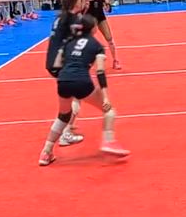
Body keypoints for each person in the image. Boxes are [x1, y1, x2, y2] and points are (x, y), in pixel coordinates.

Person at [40, 15, 129, 166]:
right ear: (94, 29)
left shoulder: (69, 42)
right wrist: (105, 97)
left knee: (63, 116)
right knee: (109, 111)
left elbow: (56, 64)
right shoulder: (97, 46)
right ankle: (108, 141)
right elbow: (100, 72)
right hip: (81, 81)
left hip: (63, 80)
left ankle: (46, 152)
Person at [47, 0, 87, 148]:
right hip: (63, 64)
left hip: (52, 63)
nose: (83, 1)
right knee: (75, 99)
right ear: (75, 3)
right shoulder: (74, 19)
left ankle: (64, 131)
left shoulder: (59, 18)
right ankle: (65, 134)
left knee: (72, 100)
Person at [84, 0, 121, 69]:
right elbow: (80, 10)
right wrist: (85, 6)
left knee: (110, 39)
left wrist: (107, 6)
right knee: (86, 40)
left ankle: (115, 61)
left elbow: (108, 8)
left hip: (100, 17)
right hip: (90, 19)